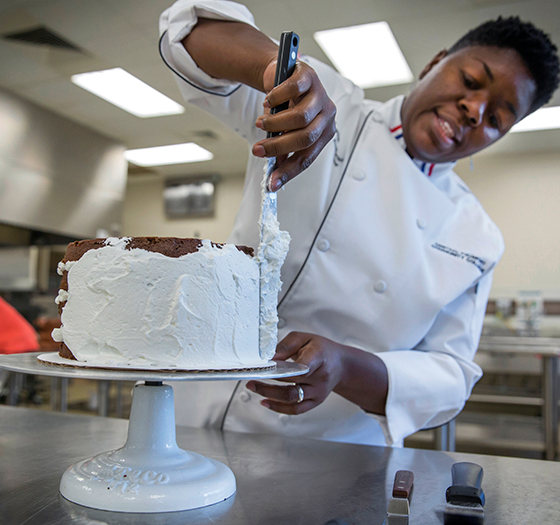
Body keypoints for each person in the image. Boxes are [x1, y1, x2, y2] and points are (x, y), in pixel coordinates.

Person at [159, 1, 559, 446]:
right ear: (435, 62)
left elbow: (450, 374)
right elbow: (186, 32)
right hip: (194, 409)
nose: (474, 109)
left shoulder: (476, 237)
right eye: (470, 81)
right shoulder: (328, 101)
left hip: (331, 447)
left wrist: (346, 367)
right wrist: (274, 70)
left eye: (498, 118)